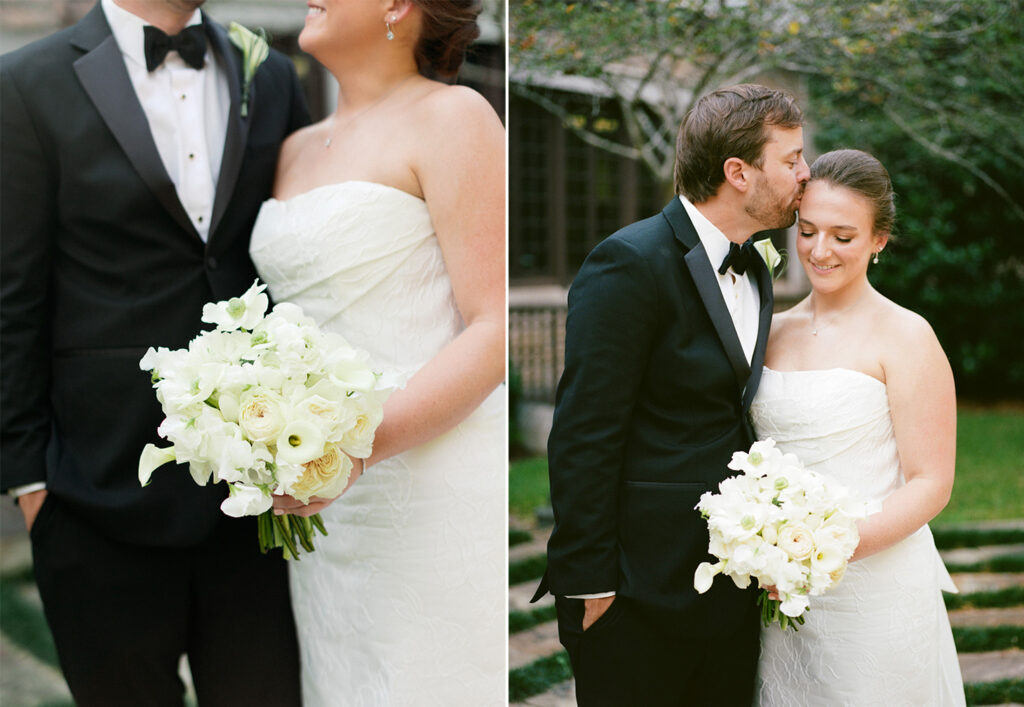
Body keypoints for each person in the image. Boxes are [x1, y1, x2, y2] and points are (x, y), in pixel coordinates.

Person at [0, 1, 310, 704]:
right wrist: (30, 485)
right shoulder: (25, 83)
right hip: (93, 495)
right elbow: (11, 293)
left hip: (252, 501)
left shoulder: (274, 78)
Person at [250, 0, 506, 704]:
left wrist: (353, 449)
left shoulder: (455, 117)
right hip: (318, 505)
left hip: (422, 477)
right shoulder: (297, 146)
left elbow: (495, 325)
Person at [532, 84, 810, 705]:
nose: (805, 174)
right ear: (738, 173)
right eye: (791, 159)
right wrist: (590, 584)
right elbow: (584, 429)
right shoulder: (629, 261)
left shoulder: (757, 268)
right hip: (636, 595)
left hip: (729, 588)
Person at [753, 148, 965, 705]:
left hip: (875, 593)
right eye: (808, 230)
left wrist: (821, 553)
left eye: (843, 237)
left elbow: (930, 482)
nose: (819, 251)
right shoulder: (767, 330)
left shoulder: (907, 336)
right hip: (779, 597)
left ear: (879, 239)